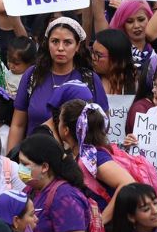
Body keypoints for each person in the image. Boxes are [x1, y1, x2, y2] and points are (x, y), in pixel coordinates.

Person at [9, 17, 108, 150]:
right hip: (32, 161)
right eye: (55, 41)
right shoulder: (33, 75)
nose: (60, 48)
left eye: (67, 42)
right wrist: (10, 164)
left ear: (77, 46)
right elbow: (18, 125)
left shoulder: (90, 79)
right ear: (47, 43)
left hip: (75, 165)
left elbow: (102, 127)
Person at [18, 134, 92, 232]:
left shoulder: (65, 198)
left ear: (44, 167)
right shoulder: (30, 189)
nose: (20, 168)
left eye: (24, 164)